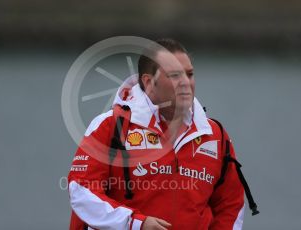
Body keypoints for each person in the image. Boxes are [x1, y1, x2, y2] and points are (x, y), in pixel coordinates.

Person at [67, 38, 251, 229]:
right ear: (148, 82)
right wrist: (134, 223)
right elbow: (81, 191)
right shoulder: (110, 126)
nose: (185, 83)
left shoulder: (214, 135)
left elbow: (231, 205)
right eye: (175, 76)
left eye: (189, 74)